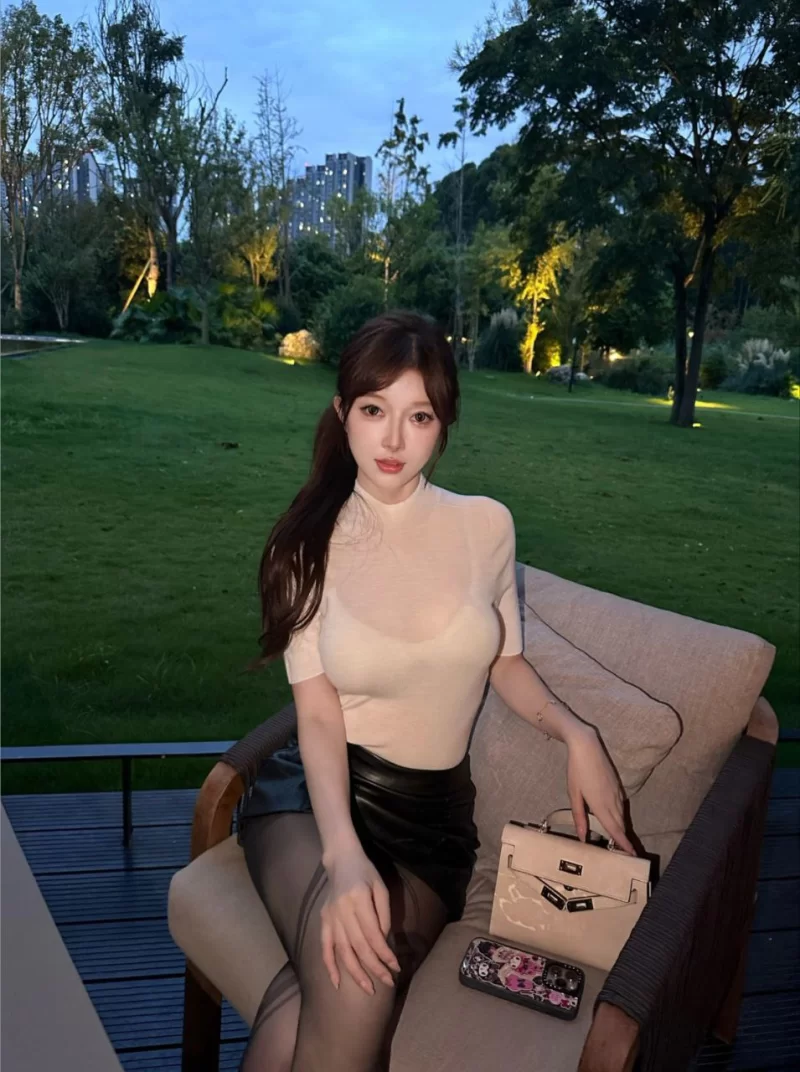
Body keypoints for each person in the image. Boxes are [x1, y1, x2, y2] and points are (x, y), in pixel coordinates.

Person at [236, 310, 636, 1072]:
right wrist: (342, 855)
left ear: (443, 423)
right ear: (342, 414)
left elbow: (503, 662)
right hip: (316, 801)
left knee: (319, 996)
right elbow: (316, 714)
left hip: (431, 831)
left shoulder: (485, 527)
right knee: (356, 991)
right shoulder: (305, 547)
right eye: (373, 410)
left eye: (418, 416)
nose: (393, 439)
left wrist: (576, 733)